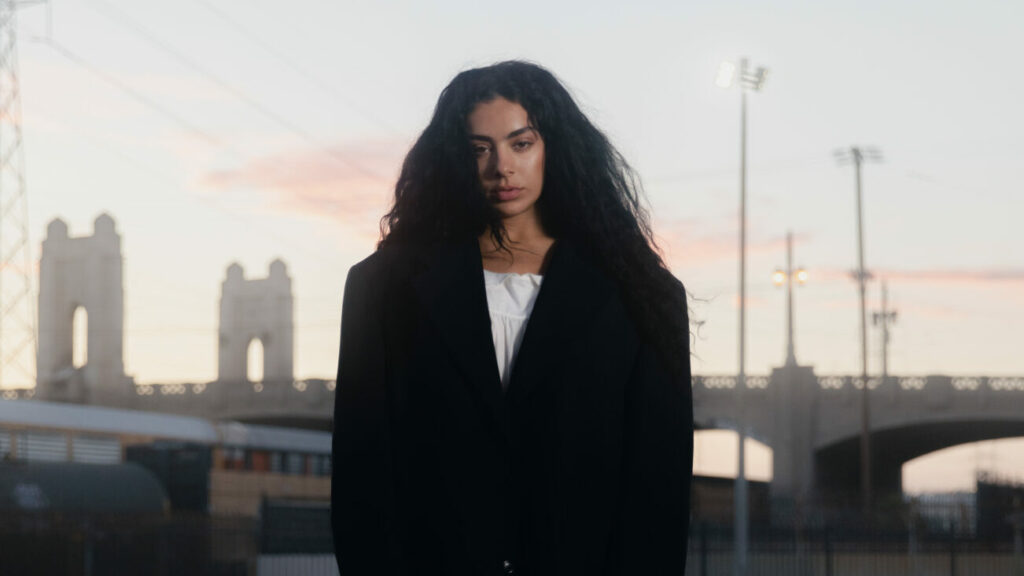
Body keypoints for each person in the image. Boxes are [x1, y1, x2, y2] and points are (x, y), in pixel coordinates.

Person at [331, 60, 693, 576]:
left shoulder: (641, 297)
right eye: (480, 149)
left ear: (555, 147)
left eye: (521, 144)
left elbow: (657, 497)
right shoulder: (383, 287)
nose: (501, 167)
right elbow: (362, 478)